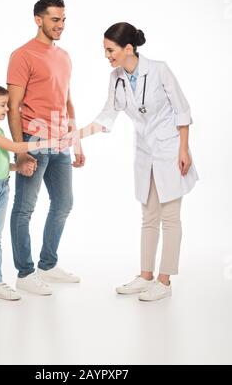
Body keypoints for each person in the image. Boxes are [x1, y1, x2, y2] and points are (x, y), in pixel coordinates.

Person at [63, 22, 198, 301]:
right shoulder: (116, 77)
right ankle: (145, 276)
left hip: (170, 150)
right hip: (145, 152)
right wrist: (77, 135)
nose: (107, 56)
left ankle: (164, 281)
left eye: (110, 50)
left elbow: (182, 111)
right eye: (104, 51)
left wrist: (184, 150)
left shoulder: (160, 69)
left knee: (170, 218)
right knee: (148, 217)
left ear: (128, 48)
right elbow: (106, 116)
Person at [7, 0, 85, 296]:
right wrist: (20, 149)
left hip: (60, 141)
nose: (61, 25)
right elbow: (13, 107)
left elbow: (67, 100)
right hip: (33, 139)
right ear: (38, 19)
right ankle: (24, 273)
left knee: (63, 203)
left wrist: (76, 143)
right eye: (55, 19)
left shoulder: (64, 55)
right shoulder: (22, 55)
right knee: (24, 208)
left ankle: (48, 265)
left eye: (64, 19)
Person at [0, 83, 58, 303]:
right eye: (3, 105)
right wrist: (49, 142)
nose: (7, 109)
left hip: (2, 187)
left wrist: (18, 168)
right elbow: (15, 148)